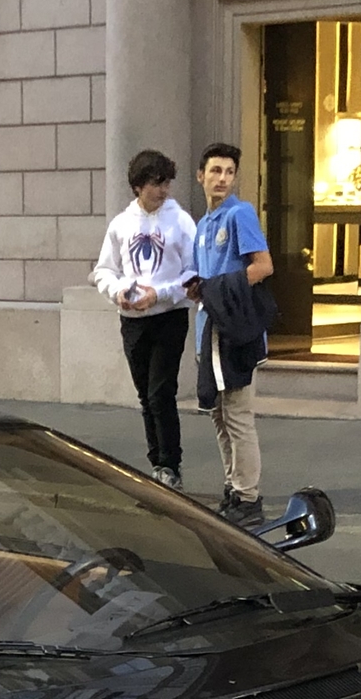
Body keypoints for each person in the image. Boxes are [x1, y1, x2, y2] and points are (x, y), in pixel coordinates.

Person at [91, 148, 197, 488]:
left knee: (160, 392)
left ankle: (170, 464)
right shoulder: (121, 225)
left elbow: (194, 271)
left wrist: (161, 293)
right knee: (144, 394)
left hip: (169, 316)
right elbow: (104, 270)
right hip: (133, 319)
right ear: (138, 186)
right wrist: (119, 290)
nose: (163, 190)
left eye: (166, 183)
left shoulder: (180, 221)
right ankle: (157, 462)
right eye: (155, 183)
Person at [187, 142, 273, 526]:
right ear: (201, 175)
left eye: (228, 172)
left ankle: (249, 498)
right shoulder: (204, 224)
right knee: (218, 415)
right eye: (215, 171)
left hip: (234, 331)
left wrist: (219, 288)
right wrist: (199, 288)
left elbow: (263, 266)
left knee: (238, 415)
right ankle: (233, 489)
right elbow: (204, 280)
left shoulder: (241, 214)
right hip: (208, 331)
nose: (222, 178)